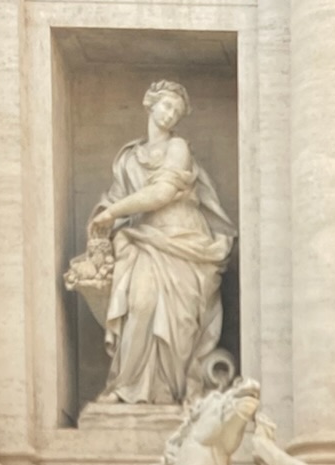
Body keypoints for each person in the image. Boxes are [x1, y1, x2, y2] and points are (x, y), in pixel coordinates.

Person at [88, 80, 235, 406]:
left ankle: (169, 391)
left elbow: (162, 193)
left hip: (184, 242)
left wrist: (112, 212)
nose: (170, 114)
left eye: (177, 111)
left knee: (179, 322)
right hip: (144, 241)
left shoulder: (178, 148)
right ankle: (127, 386)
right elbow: (115, 199)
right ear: (149, 103)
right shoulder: (128, 159)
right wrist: (103, 218)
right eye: (166, 106)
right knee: (140, 305)